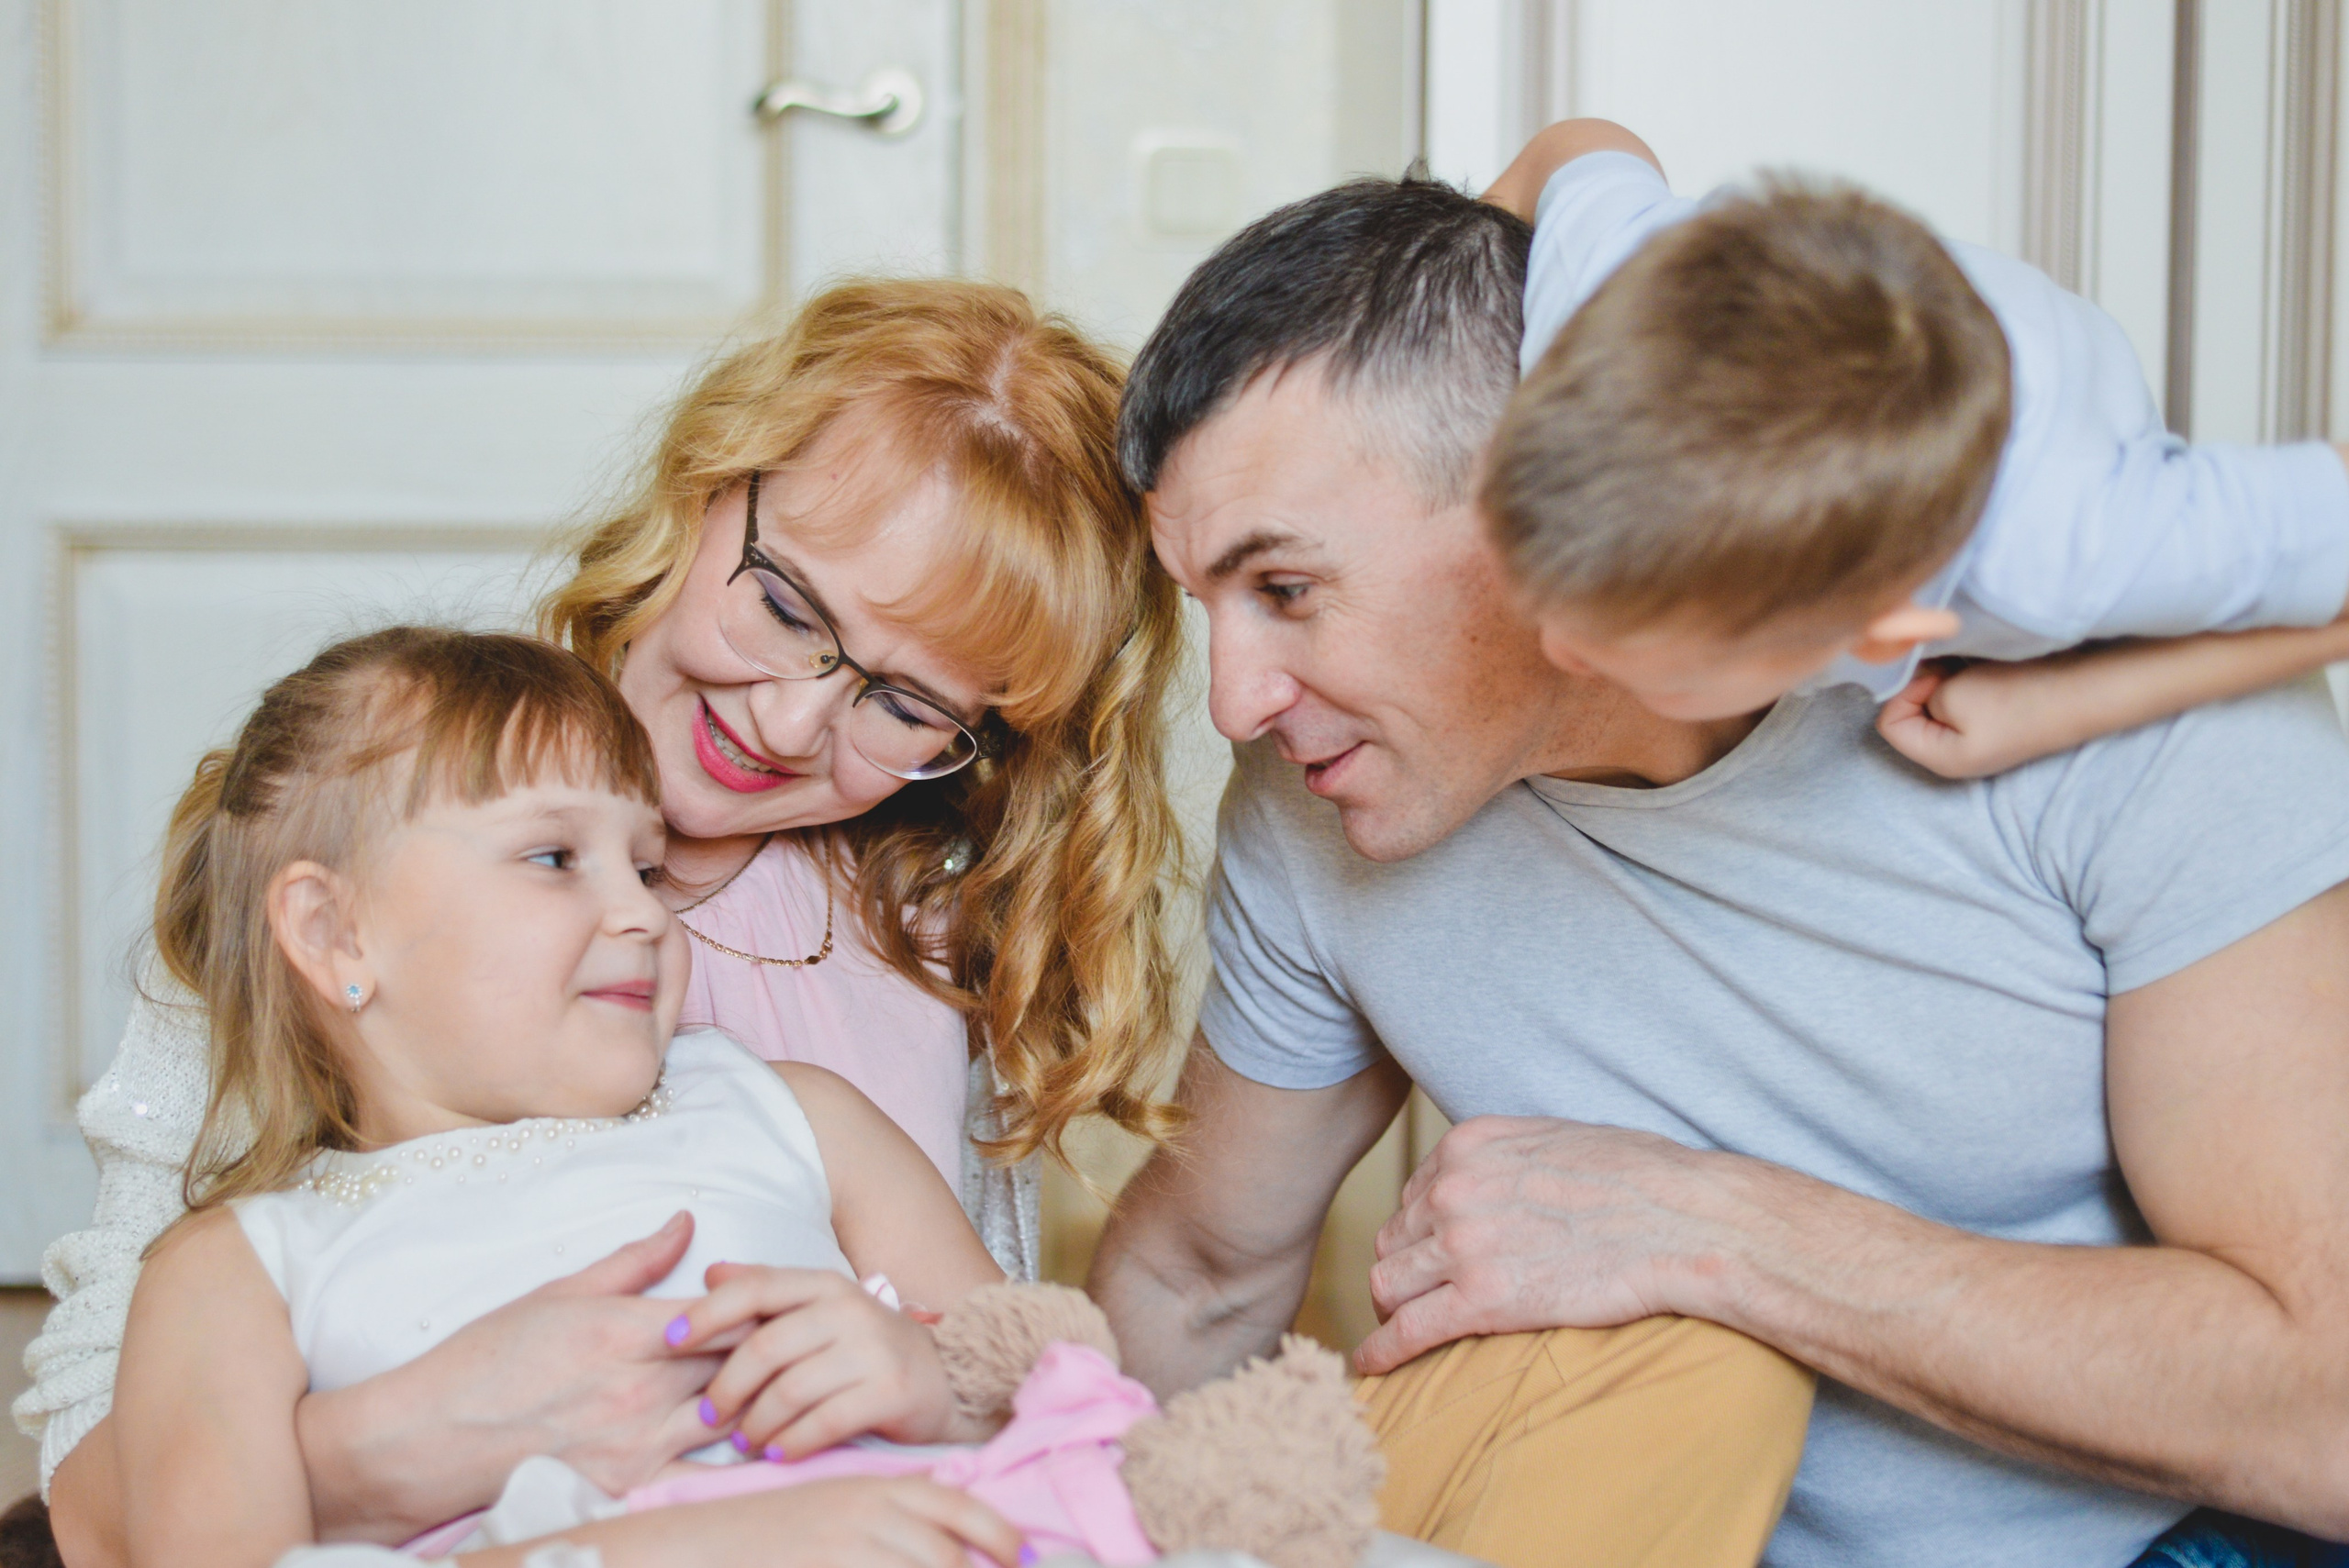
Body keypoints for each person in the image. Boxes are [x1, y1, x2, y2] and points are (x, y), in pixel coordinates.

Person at [1091, 172, 2349, 1568]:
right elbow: (1199, 1276)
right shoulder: (1321, 789)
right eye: (1207, 603)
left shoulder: (2126, 686)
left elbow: (2327, 1415)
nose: (1235, 703)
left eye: (1286, 589)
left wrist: (1716, 1231)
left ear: (1528, 495)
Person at [19, 279, 1186, 1564]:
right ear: (703, 490)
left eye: (907, 706)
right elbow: (104, 1479)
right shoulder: (374, 825)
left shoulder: (927, 943)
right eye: (786, 609)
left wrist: (936, 1383)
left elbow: (1023, 1379)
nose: (791, 721)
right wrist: (416, 1440)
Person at [116, 626, 1019, 1568]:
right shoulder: (235, 1266)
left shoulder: (794, 1115)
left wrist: (939, 1382)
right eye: (553, 857)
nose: (643, 912)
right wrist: (671, 1548)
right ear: (334, 930)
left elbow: (1062, 1377)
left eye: (648, 867)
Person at [1475, 120, 2349, 779]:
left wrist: (2065, 699)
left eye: (1650, 667)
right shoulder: (1586, 300)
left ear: (1881, 632)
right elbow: (1579, 143)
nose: (1553, 644)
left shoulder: (2063, 554)